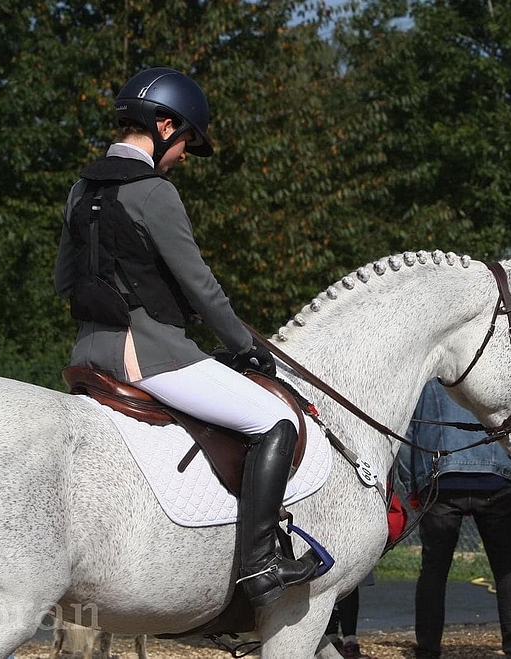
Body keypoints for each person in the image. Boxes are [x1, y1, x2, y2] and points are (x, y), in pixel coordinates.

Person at [53, 67, 316, 607]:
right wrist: (246, 347)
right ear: (165, 125)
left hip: (87, 353)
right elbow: (202, 287)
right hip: (150, 356)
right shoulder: (154, 192)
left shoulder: (81, 188)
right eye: (186, 145)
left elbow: (64, 280)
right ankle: (260, 564)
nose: (182, 159)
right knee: (277, 419)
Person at [397, 378, 511, 659]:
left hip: (441, 480)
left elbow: (408, 432)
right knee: (507, 567)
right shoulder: (499, 374)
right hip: (497, 479)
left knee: (434, 570)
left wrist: (413, 484)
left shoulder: (429, 381)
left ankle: (428, 650)